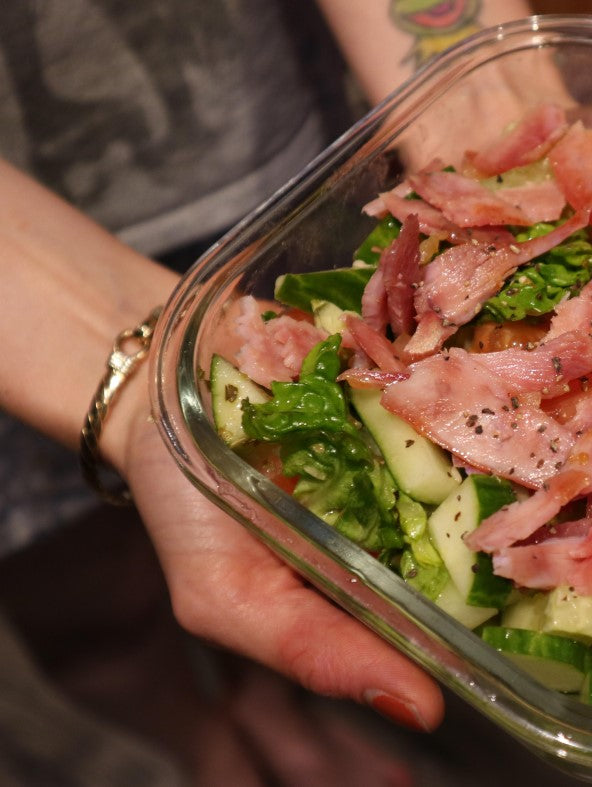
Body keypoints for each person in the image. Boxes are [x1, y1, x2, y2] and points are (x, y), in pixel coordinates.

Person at [0, 0, 532, 779]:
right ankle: (193, 741)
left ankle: (268, 698)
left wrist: (481, 98)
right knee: (92, 610)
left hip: (247, 123)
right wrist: (114, 350)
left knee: (285, 534)